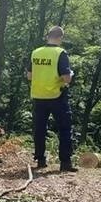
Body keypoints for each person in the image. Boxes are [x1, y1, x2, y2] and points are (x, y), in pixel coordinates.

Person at [26, 26, 76, 172]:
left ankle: (40, 160)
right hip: (56, 96)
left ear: (48, 36)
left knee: (39, 128)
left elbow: (29, 76)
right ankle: (65, 163)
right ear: (60, 38)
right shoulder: (60, 53)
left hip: (38, 96)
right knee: (64, 128)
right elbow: (66, 79)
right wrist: (71, 75)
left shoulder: (36, 52)